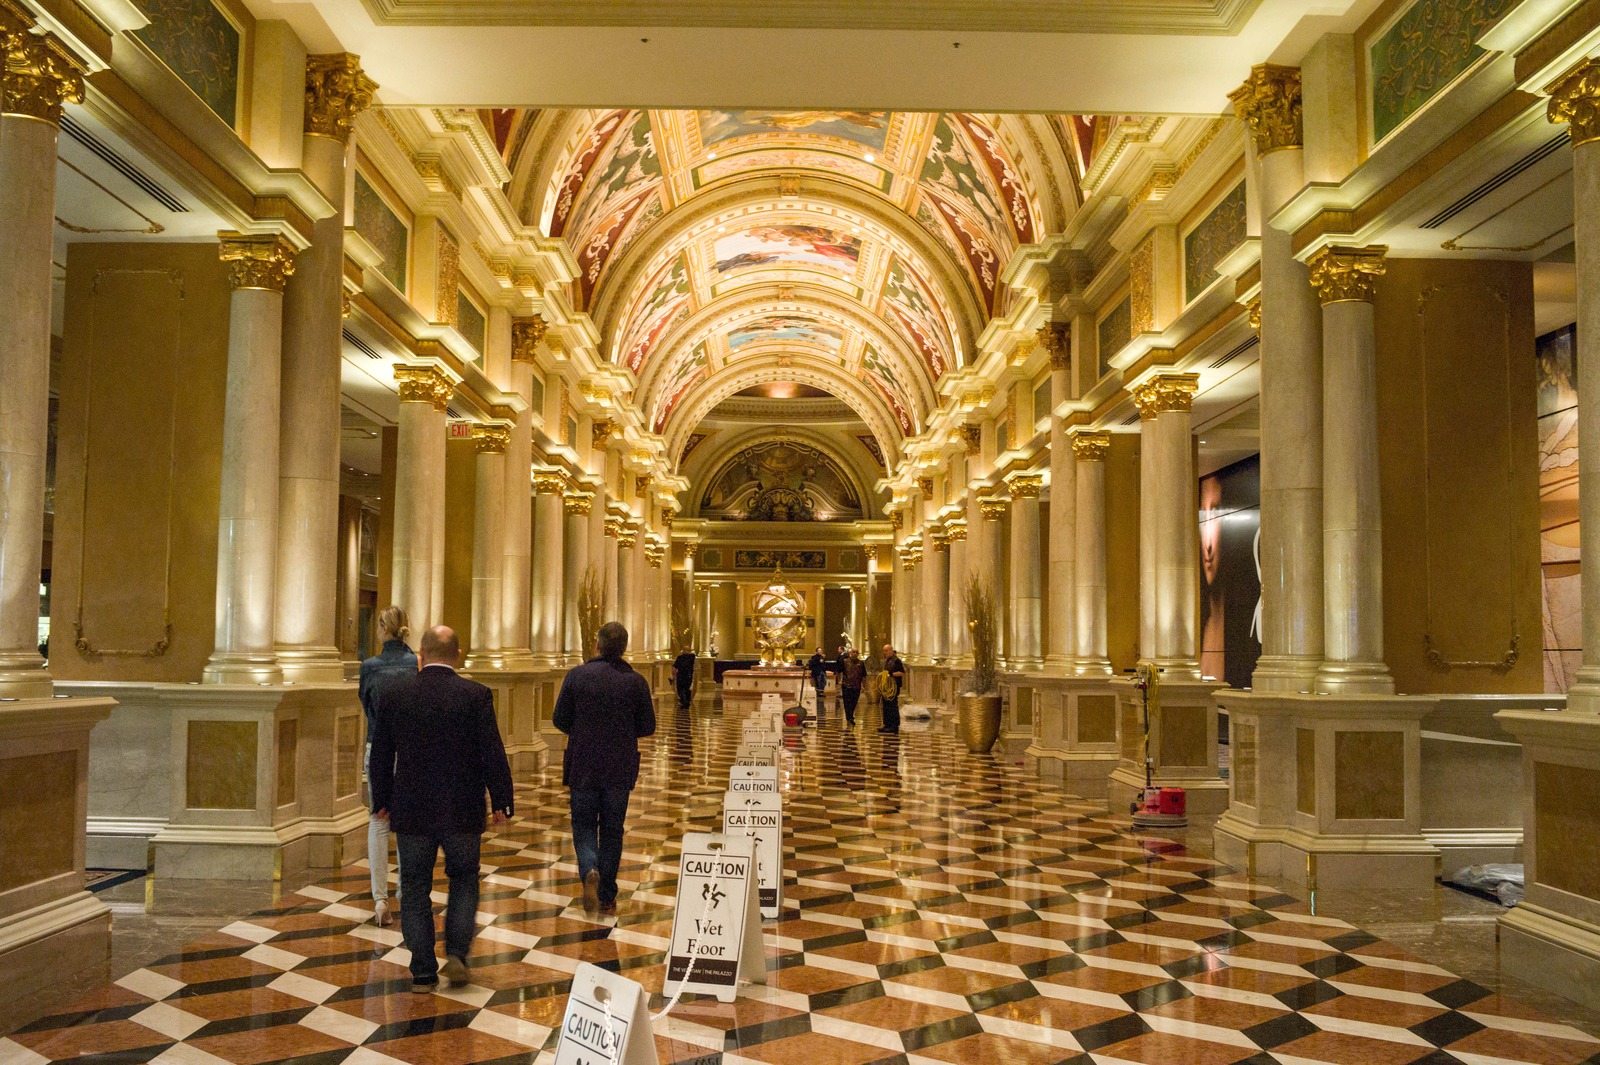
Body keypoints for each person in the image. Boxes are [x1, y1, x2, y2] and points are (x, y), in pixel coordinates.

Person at [369, 626, 514, 994]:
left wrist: (381, 800)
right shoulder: (476, 695)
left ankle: (421, 970)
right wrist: (501, 800)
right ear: (459, 654)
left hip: (412, 808)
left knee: (414, 886)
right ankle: (458, 953)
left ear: (421, 653)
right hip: (462, 808)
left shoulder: (395, 695)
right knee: (464, 880)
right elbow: (491, 751)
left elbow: (383, 755)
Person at [553, 621, 657, 917]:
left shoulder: (577, 676)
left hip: (583, 763)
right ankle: (607, 894)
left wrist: (583, 728)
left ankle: (589, 869)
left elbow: (559, 718)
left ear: (597, 645)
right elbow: (648, 726)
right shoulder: (635, 682)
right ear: (624, 647)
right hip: (619, 766)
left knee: (583, 824)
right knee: (612, 830)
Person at [358, 606, 418, 927]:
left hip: (377, 748)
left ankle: (380, 900)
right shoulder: (415, 665)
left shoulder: (369, 667)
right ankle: (405, 890)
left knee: (378, 820)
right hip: (409, 751)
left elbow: (366, 705)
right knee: (408, 822)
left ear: (382, 629)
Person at [878, 644, 906, 735]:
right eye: (884, 651)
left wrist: (892, 674)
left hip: (893, 687)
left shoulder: (896, 661)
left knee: (892, 706)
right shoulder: (887, 661)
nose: (885, 653)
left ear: (891, 651)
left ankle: (894, 726)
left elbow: (902, 673)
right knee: (885, 706)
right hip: (886, 688)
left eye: (886, 651)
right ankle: (887, 724)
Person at [839, 648, 866, 727]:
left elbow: (863, 676)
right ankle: (849, 717)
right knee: (847, 702)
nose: (855, 653)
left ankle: (850, 716)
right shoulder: (845, 662)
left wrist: (863, 685)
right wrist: (839, 680)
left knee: (854, 702)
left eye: (856, 652)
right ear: (850, 653)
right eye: (853, 652)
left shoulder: (861, 663)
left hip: (856, 686)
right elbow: (838, 671)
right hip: (846, 685)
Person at [672, 644, 696, 711]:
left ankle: (685, 702)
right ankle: (686, 702)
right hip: (686, 675)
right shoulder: (691, 656)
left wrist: (673, 676)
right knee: (685, 689)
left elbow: (675, 667)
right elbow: (675, 667)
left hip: (683, 675)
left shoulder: (681, 657)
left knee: (682, 689)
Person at [806, 647, 828, 718]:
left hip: (822, 671)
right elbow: (813, 664)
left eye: (821, 650)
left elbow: (823, 664)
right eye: (819, 650)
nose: (820, 651)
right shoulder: (814, 657)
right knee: (818, 682)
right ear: (816, 651)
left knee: (824, 681)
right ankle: (819, 692)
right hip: (817, 672)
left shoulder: (822, 657)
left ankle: (821, 691)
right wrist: (819, 662)